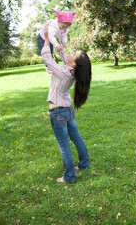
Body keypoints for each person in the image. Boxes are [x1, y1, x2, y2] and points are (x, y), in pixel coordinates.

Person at [41, 27, 91, 184]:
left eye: (73, 54)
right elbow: (64, 58)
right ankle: (84, 163)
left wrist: (48, 40)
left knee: (64, 145)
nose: (70, 53)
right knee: (76, 138)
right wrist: (59, 46)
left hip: (58, 113)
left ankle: (69, 177)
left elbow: (47, 58)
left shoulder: (64, 72)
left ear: (74, 63)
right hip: (67, 110)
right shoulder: (71, 71)